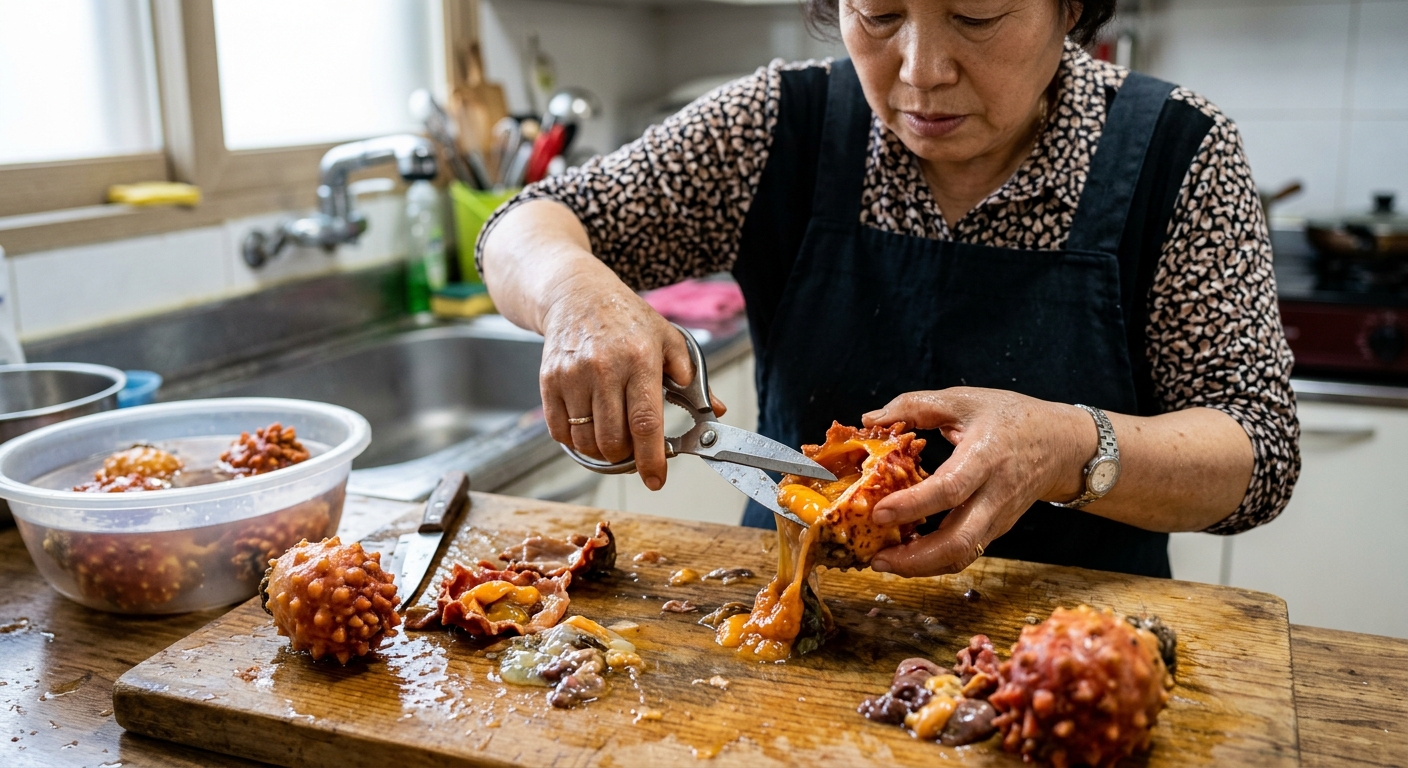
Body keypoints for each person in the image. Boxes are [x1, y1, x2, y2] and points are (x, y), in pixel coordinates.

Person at [477, 0, 1300, 579]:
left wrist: (1067, 448)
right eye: (877, 14)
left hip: (1068, 667)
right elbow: (521, 226)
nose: (921, 71)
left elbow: (1257, 451)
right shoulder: (777, 128)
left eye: (977, 16)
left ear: (1071, 8)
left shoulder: (1176, 153)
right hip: (796, 637)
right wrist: (575, 293)